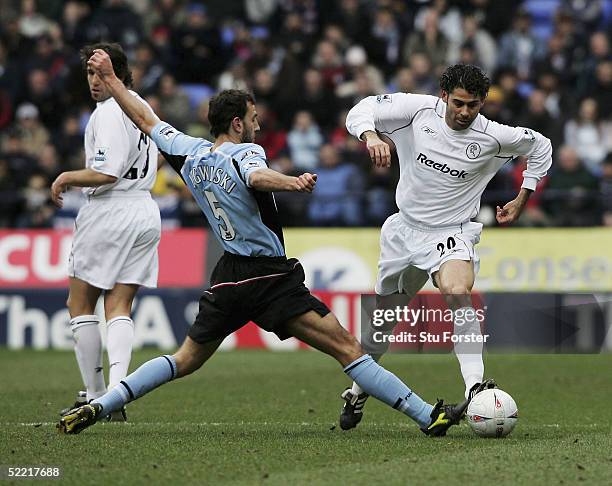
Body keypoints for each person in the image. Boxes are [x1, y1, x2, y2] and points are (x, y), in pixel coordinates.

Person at [57, 49, 478, 437]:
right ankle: (428, 415)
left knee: (184, 360)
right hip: (270, 278)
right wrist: (293, 182)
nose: (258, 124)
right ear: (238, 123)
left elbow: (146, 120)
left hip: (228, 278)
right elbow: (256, 178)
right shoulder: (247, 154)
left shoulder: (191, 152)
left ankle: (101, 404)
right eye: (253, 117)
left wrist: (113, 82)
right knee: (348, 348)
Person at [339, 64, 552, 430]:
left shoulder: (495, 136)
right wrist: (371, 136)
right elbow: (361, 109)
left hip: (451, 232)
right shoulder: (417, 109)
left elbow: (541, 146)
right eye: (458, 103)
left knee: (457, 292)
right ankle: (358, 391)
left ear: (483, 102)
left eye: (473, 105)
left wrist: (522, 197)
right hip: (403, 231)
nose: (465, 112)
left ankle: (475, 390)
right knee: (381, 327)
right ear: (443, 96)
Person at [50, 43, 160, 422]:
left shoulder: (109, 112)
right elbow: (157, 153)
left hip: (111, 211)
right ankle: (115, 395)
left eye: (101, 73)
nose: (94, 81)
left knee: (79, 305)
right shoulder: (139, 104)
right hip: (144, 209)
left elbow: (106, 172)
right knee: (119, 305)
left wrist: (66, 176)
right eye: (90, 74)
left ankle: (97, 395)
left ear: (119, 72)